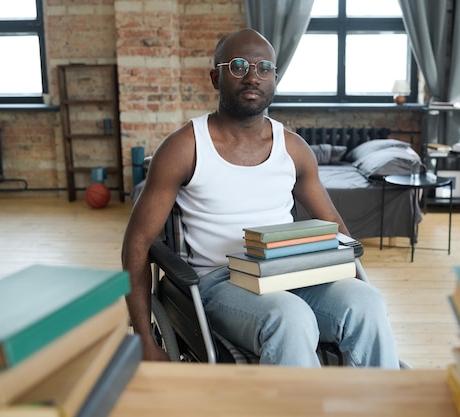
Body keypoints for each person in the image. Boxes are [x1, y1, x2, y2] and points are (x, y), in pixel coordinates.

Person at [122, 28, 399, 368]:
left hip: (292, 272)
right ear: (215, 77)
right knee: (289, 317)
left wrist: (343, 269)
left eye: (263, 67)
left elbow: (335, 228)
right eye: (238, 66)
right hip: (220, 284)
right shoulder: (184, 147)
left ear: (275, 79)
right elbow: (137, 243)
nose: (253, 76)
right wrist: (143, 338)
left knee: (367, 303)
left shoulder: (294, 149)